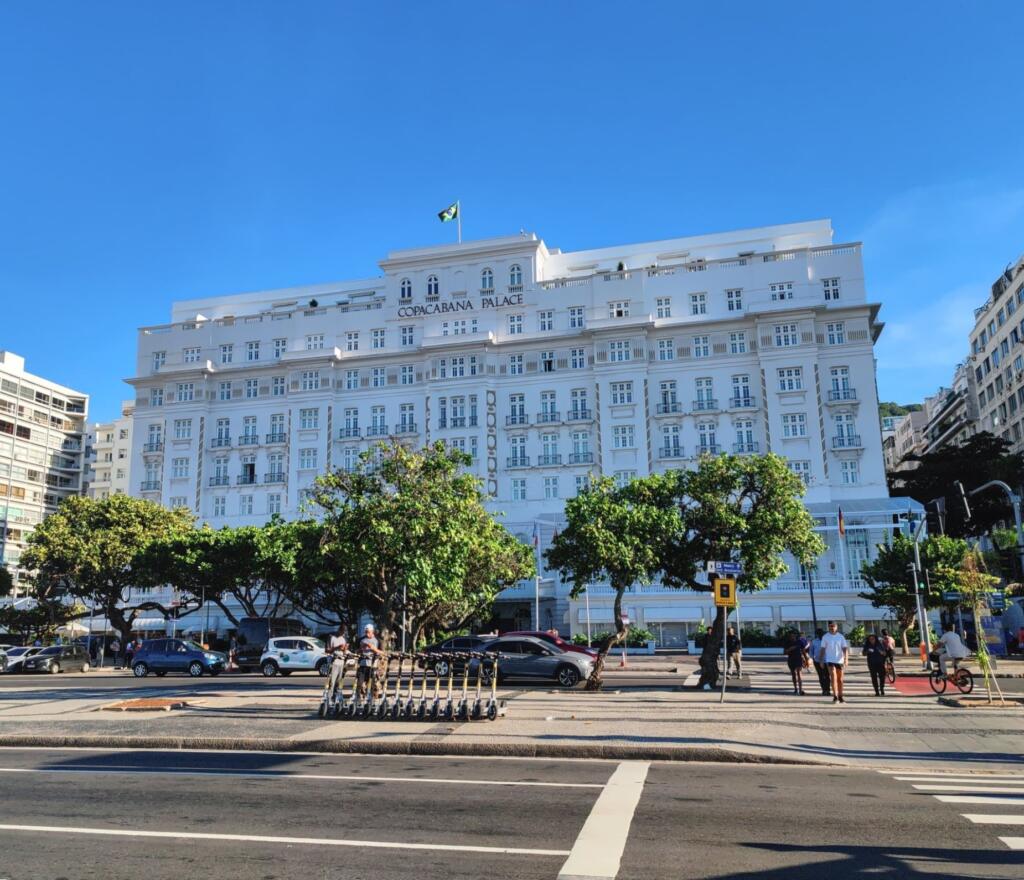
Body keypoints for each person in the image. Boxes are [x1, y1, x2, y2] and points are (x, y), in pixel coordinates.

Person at [818, 621, 850, 703]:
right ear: (828, 627)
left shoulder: (841, 637)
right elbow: (822, 649)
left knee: (840, 679)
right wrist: (821, 660)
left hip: (840, 660)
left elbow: (845, 648)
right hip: (830, 660)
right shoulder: (825, 637)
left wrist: (846, 659)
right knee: (833, 677)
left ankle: (840, 696)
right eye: (830, 626)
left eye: (833, 626)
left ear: (836, 627)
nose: (832, 628)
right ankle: (835, 696)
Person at [356, 624, 384, 699]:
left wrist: (374, 649)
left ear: (372, 631)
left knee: (372, 683)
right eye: (365, 632)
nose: (367, 634)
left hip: (373, 665)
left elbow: (382, 652)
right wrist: (361, 649)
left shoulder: (378, 640)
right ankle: (358, 698)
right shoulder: (361, 640)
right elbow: (356, 652)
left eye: (368, 632)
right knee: (360, 683)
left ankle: (371, 698)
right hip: (363, 664)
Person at [325, 624, 349, 703]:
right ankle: (329, 699)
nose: (343, 634)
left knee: (339, 682)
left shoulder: (344, 638)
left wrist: (345, 649)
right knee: (332, 682)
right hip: (334, 661)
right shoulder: (331, 636)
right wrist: (337, 647)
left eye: (344, 633)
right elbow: (327, 650)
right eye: (342, 632)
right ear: (339, 630)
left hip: (341, 662)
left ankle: (336, 698)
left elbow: (344, 651)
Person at [783, 630, 809, 695]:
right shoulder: (787, 643)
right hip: (791, 660)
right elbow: (784, 652)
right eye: (791, 636)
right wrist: (790, 649)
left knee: (799, 674)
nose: (792, 637)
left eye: (793, 635)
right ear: (789, 637)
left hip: (799, 659)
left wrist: (806, 660)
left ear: (795, 636)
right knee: (793, 674)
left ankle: (800, 690)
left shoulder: (799, 642)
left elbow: (803, 651)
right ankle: (795, 688)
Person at [809, 628, 830, 696]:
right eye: (819, 633)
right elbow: (811, 651)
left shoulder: (827, 641)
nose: (821, 635)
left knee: (827, 676)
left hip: (826, 661)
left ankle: (828, 690)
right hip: (817, 661)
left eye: (822, 633)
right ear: (817, 634)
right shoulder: (814, 641)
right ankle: (824, 690)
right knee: (821, 676)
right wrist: (812, 659)